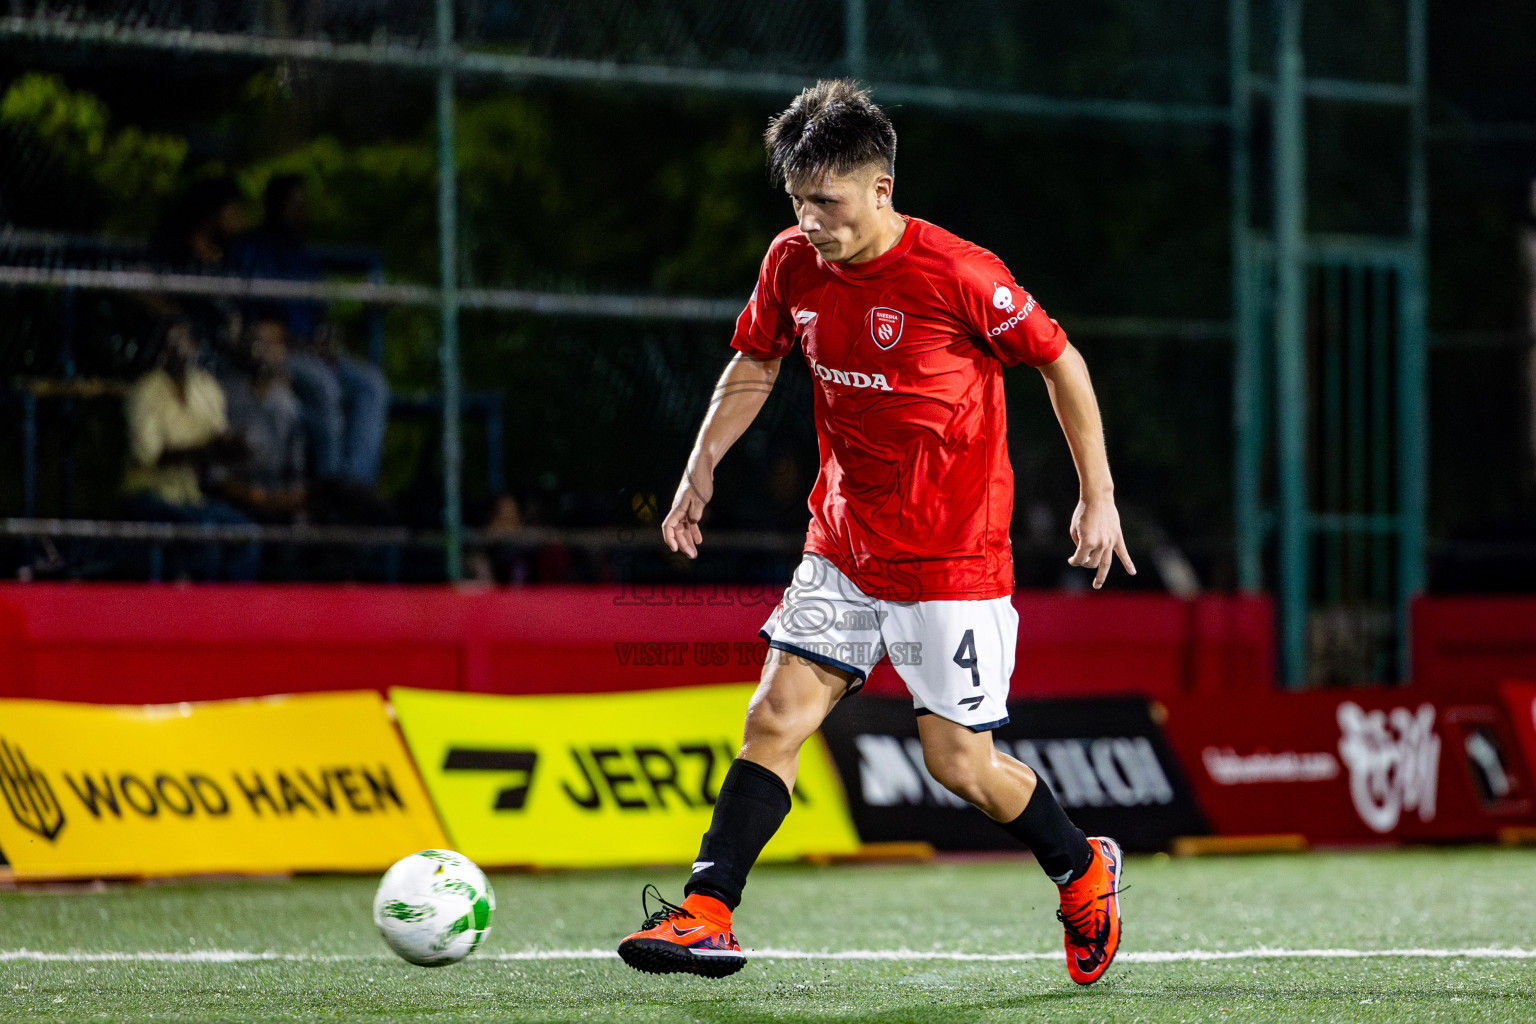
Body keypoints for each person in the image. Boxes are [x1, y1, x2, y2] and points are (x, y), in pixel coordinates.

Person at [617, 80, 1135, 986]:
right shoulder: (792, 264)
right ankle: (707, 908)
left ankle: (1081, 868)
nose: (809, 220)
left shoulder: (959, 274)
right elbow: (755, 359)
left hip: (954, 559)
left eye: (827, 201)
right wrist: (701, 465)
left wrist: (1099, 492)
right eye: (796, 202)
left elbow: (1061, 362)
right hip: (844, 543)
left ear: (881, 189)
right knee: (775, 717)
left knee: (959, 766)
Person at [229, 174, 389, 488]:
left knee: (372, 385)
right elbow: (259, 324)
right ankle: (330, 490)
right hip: (277, 353)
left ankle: (355, 485)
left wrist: (328, 335)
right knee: (324, 384)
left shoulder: (305, 258)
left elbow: (320, 317)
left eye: (305, 205)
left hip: (314, 352)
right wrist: (302, 344)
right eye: (295, 205)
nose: (303, 213)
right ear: (275, 207)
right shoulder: (251, 251)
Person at [122, 319, 259, 581]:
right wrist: (205, 450)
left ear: (195, 346)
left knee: (246, 533)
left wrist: (235, 448)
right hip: (148, 494)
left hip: (191, 497)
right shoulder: (145, 391)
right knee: (202, 532)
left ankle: (232, 614)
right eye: (170, 344)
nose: (178, 350)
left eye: (183, 342)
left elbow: (218, 441)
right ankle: (199, 615)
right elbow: (150, 456)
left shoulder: (206, 387)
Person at [211, 313, 307, 522]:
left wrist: (288, 499)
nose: (262, 352)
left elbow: (295, 472)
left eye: (271, 344)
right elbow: (214, 476)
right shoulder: (225, 395)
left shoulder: (288, 405)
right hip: (234, 495)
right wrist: (255, 497)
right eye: (257, 342)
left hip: (275, 495)